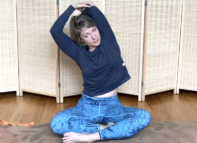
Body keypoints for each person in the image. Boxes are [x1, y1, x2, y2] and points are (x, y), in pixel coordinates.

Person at [49, 1, 151, 143]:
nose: (94, 36)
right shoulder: (78, 53)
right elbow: (55, 31)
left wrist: (86, 8)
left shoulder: (109, 41)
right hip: (87, 105)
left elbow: (94, 11)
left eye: (94, 30)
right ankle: (105, 129)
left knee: (143, 116)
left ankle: (91, 136)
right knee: (57, 123)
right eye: (87, 35)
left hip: (112, 106)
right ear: (81, 39)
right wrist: (71, 8)